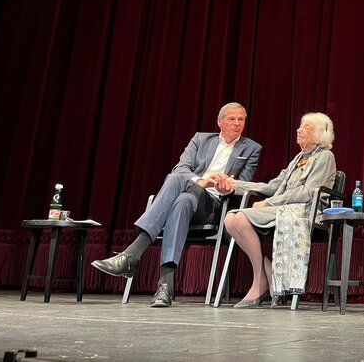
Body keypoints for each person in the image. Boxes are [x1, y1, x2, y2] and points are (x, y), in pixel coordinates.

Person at [91, 102, 262, 308]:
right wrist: (203, 181)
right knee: (182, 199)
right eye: (232, 119)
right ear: (219, 122)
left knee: (174, 180)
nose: (237, 124)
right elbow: (181, 168)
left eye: (241, 119)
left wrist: (228, 186)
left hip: (214, 206)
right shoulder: (200, 139)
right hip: (190, 198)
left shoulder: (251, 148)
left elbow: (243, 184)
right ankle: (165, 286)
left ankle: (133, 254)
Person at [217, 112, 336, 308]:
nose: (298, 129)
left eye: (306, 127)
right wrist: (236, 185)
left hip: (303, 212)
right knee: (231, 220)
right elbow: (272, 186)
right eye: (300, 125)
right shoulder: (299, 158)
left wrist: (269, 204)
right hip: (283, 209)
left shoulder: (325, 157)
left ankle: (259, 282)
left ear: (320, 134)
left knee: (237, 218)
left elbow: (307, 193)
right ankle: (264, 272)